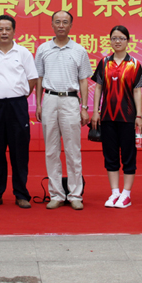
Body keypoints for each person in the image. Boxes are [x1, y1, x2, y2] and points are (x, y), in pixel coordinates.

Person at [0, 15, 38, 209]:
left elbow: (32, 78)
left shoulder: (23, 52)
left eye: (7, 29)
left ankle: (21, 194)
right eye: (0, 29)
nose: (4, 32)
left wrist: (19, 95)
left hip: (18, 106)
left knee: (20, 151)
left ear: (14, 31)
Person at [35, 11, 92, 210]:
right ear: (52, 24)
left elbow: (83, 81)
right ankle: (56, 194)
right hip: (49, 99)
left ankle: (75, 194)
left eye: (65, 22)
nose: (61, 25)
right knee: (51, 150)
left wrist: (84, 107)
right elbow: (39, 78)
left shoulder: (79, 50)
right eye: (57, 22)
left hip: (70, 101)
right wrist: (38, 104)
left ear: (70, 25)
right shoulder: (43, 49)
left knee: (72, 149)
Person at [91, 25, 142, 209]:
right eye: (114, 38)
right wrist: (96, 111)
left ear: (128, 41)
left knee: (129, 156)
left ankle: (126, 194)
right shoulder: (104, 62)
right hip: (107, 117)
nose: (117, 41)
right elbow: (98, 87)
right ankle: (115, 192)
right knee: (110, 156)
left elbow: (137, 91)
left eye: (121, 38)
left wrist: (139, 115)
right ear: (110, 41)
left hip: (128, 117)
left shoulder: (135, 64)